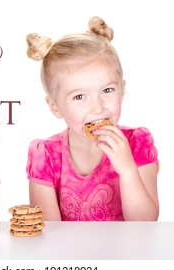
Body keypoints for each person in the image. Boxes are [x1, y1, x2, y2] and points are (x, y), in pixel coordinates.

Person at [26, 16, 159, 221]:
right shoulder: (46, 155)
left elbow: (145, 224)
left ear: (122, 89)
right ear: (55, 106)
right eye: (79, 96)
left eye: (107, 90)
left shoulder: (137, 143)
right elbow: (49, 234)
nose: (98, 108)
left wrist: (127, 170)